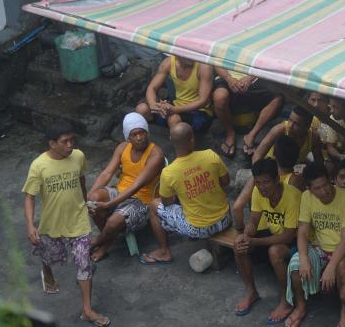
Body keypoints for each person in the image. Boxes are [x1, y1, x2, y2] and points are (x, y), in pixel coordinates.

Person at [23, 121, 109, 327]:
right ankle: (48, 273)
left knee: (83, 262)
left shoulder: (78, 156)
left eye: (72, 140)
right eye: (64, 142)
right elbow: (29, 196)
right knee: (50, 255)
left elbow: (81, 181)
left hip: (78, 220)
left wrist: (85, 201)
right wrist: (30, 225)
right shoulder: (38, 165)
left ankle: (87, 310)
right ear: (52, 144)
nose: (70, 145)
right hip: (52, 224)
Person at [141, 123, 231, 265]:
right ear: (192, 139)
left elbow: (166, 203)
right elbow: (225, 182)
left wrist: (182, 193)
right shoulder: (210, 155)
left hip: (199, 229)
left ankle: (164, 251)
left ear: (171, 140)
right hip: (225, 219)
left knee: (153, 205)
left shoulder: (169, 172)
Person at [286, 163, 345, 327]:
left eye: (326, 185)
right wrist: (303, 258)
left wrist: (331, 266)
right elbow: (302, 231)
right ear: (309, 189)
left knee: (342, 266)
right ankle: (301, 306)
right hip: (318, 247)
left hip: (343, 249)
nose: (324, 191)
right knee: (295, 266)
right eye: (317, 188)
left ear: (331, 180)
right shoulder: (306, 197)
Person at [87, 113, 165, 262]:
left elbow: (137, 186)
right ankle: (108, 237)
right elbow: (107, 173)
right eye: (134, 134)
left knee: (113, 222)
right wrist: (89, 197)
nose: (139, 137)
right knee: (94, 199)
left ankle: (101, 242)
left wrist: (110, 204)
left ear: (147, 132)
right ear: (127, 138)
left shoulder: (156, 155)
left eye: (141, 132)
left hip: (141, 201)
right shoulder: (123, 147)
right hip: (120, 191)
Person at [233, 158, 300, 324]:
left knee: (275, 251)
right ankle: (251, 292)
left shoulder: (292, 196)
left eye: (266, 182)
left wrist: (255, 242)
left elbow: (288, 236)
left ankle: (286, 301)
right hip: (274, 236)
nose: (262, 187)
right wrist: (246, 236)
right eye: (258, 182)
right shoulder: (258, 192)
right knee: (238, 244)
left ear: (277, 180)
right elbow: (254, 222)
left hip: (296, 244)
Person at [233, 135, 302, 231]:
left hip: (260, 231)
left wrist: (241, 231)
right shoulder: (295, 180)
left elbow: (237, 207)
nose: (262, 186)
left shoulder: (260, 176)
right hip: (278, 234)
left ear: (274, 154)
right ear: (297, 157)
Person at [211, 67, 283, 158]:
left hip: (255, 77)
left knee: (278, 98)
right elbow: (217, 62)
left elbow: (265, 62)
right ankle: (230, 133)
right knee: (219, 97)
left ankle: (251, 135)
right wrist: (228, 78)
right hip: (225, 78)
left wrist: (250, 77)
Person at [135, 55, 214, 133]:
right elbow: (152, 88)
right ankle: (152, 140)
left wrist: (175, 110)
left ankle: (180, 143)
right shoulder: (168, 62)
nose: (191, 56)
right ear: (177, 53)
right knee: (141, 109)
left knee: (174, 119)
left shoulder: (204, 66)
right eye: (186, 54)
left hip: (199, 111)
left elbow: (203, 101)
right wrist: (154, 105)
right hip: (177, 106)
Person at [251, 105, 321, 167]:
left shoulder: (314, 137)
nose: (290, 126)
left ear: (307, 127)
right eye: (290, 119)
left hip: (294, 170)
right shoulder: (279, 130)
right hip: (272, 168)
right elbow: (257, 155)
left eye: (296, 124)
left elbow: (319, 162)